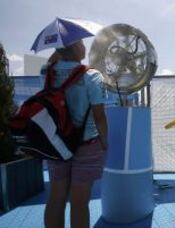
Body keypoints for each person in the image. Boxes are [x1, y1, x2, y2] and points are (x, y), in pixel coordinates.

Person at [43, 40, 108, 228]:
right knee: (79, 203)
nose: (84, 47)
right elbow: (99, 116)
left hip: (56, 144)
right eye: (80, 43)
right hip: (87, 145)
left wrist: (59, 51)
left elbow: (51, 62)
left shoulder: (47, 73)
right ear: (74, 48)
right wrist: (105, 142)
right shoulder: (93, 76)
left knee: (56, 199)